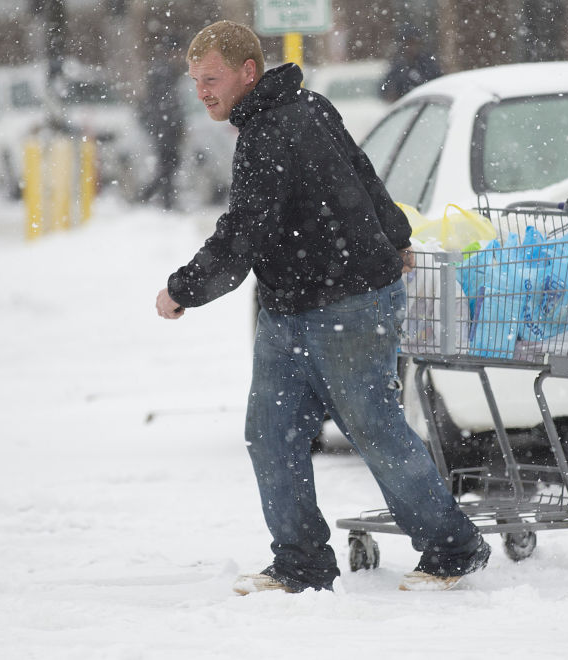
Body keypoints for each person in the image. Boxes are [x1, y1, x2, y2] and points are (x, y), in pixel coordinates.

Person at [155, 20, 490, 594]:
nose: (203, 90)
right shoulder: (301, 108)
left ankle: (453, 547)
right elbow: (361, 172)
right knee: (271, 431)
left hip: (349, 301)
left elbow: (245, 233)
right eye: (195, 81)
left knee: (373, 428)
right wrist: (396, 234)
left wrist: (184, 289)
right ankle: (302, 561)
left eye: (211, 79)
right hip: (290, 306)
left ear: (247, 72)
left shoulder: (276, 127)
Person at [138, 32, 186, 210]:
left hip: (164, 125)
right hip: (165, 126)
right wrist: (173, 123)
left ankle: (153, 196)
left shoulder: (164, 70)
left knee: (168, 164)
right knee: (168, 163)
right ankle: (161, 199)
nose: (180, 55)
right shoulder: (163, 71)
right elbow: (164, 103)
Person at [380, 26, 442, 102]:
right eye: (407, 43)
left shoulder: (428, 64)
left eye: (414, 43)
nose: (410, 47)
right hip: (404, 108)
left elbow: (438, 86)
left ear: (420, 44)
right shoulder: (398, 65)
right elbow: (385, 90)